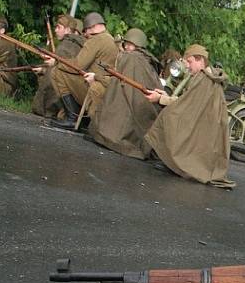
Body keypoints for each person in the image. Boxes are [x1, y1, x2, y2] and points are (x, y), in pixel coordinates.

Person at [144, 45, 235, 188]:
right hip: (204, 123)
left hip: (206, 125)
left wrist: (161, 99)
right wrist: (164, 96)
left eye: (190, 61)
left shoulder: (204, 79)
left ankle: (174, 162)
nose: (187, 65)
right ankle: (172, 161)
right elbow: (186, 101)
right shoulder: (203, 77)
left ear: (200, 60)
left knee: (170, 116)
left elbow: (184, 105)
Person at [88, 28, 161, 159]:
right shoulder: (148, 62)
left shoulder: (131, 58)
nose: (126, 46)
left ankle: (106, 135)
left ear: (137, 45)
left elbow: (118, 84)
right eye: (125, 43)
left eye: (130, 44)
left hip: (132, 108)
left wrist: (98, 77)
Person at [49, 12, 118, 130]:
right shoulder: (111, 39)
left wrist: (58, 62)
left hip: (93, 87)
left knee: (57, 72)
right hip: (105, 88)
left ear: (91, 27)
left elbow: (78, 65)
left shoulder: (97, 40)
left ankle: (72, 118)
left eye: (86, 30)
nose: (85, 34)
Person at [31, 14, 85, 118]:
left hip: (57, 102)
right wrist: (44, 69)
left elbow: (59, 71)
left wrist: (42, 108)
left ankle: (48, 110)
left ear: (68, 30)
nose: (55, 30)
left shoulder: (68, 44)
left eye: (59, 27)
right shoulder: (73, 43)